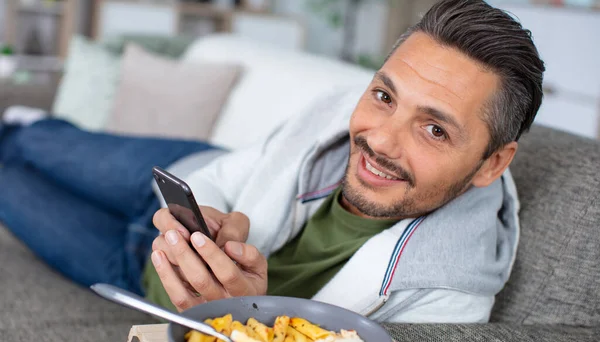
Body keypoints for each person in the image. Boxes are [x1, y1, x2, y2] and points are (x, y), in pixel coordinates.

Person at [0, 0, 544, 323]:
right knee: (29, 140)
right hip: (175, 176)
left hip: (136, 276)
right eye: (384, 96)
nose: (380, 141)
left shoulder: (450, 296)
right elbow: (233, 170)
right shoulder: (335, 110)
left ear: (491, 164)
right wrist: (207, 211)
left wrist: (244, 317)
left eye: (434, 128)